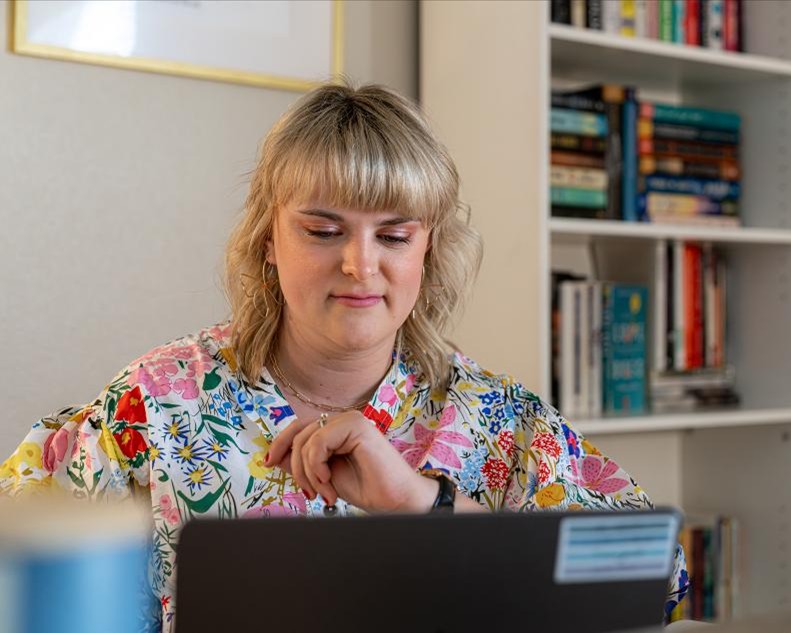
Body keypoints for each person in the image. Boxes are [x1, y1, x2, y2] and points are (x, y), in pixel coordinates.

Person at [0, 82, 688, 631]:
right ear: (269, 238)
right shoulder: (154, 401)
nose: (361, 266)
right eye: (324, 230)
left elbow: (655, 581)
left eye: (394, 235)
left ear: (428, 249)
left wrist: (426, 503)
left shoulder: (495, 419)